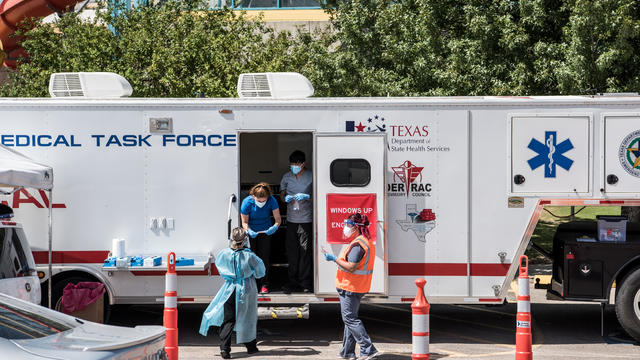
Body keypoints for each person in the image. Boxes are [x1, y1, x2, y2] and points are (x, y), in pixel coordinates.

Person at [199, 227, 265, 359]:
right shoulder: (250, 256)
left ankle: (225, 349)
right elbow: (260, 272)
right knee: (247, 318)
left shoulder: (224, 254)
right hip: (246, 290)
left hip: (230, 290)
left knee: (228, 319)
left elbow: (220, 268)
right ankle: (251, 347)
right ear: (244, 240)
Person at [324, 213, 380, 360]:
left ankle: (368, 350)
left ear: (356, 227)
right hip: (354, 286)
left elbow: (351, 267)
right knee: (350, 319)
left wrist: (334, 259)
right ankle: (347, 352)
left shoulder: (358, 244)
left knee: (349, 319)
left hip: (351, 286)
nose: (346, 228)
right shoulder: (363, 241)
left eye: (348, 225)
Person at [280, 150, 313, 293]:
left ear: (303, 164)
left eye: (296, 164)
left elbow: (317, 194)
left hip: (306, 219)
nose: (294, 166)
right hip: (291, 220)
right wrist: (284, 198)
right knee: (292, 252)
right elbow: (282, 194)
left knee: (305, 252)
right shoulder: (287, 177)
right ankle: (292, 282)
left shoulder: (311, 176)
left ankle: (305, 282)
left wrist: (307, 196)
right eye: (292, 164)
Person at [241, 182, 280, 293]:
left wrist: (274, 227)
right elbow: (244, 222)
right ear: (253, 197)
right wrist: (248, 230)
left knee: (264, 258)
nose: (262, 202)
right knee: (251, 258)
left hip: (266, 231)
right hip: (251, 231)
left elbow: (278, 219)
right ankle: (251, 283)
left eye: (264, 200)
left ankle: (264, 283)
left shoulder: (272, 200)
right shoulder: (247, 202)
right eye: (259, 201)